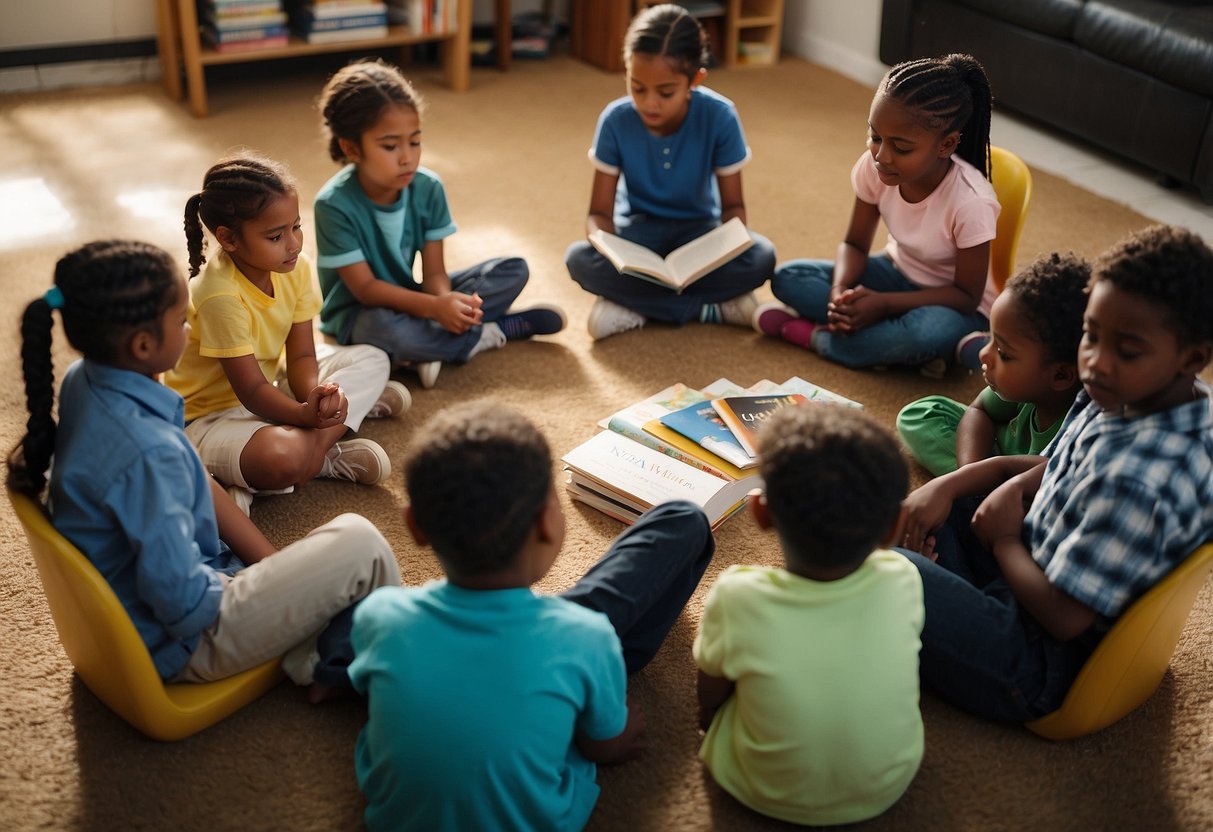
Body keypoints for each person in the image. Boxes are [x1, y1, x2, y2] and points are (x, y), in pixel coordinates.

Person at [8, 240, 401, 703]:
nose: (191, 324)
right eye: (181, 320)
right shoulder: (147, 455)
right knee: (363, 543)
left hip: (157, 611)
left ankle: (327, 655)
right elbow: (185, 605)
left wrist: (275, 571)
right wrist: (251, 590)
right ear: (142, 344)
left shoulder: (87, 379)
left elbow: (195, 478)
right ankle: (353, 665)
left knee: (320, 560)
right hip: (186, 642)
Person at [348, 402, 715, 831]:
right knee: (685, 519)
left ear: (414, 527)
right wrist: (620, 732)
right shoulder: (586, 636)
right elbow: (606, 746)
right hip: (549, 795)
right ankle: (573, 670)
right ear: (546, 522)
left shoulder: (380, 616)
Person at [897, 224, 1213, 722]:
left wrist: (1003, 542)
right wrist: (993, 482)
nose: (1094, 363)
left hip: (1040, 660)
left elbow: (1066, 619)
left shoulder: (1137, 480)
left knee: (889, 569)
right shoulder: (1131, 392)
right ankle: (933, 597)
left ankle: (920, 601)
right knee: (926, 506)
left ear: (1192, 357)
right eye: (1090, 335)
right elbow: (1063, 463)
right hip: (1035, 560)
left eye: (1126, 349)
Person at [694, 405, 924, 826]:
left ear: (760, 513)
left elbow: (712, 689)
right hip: (887, 783)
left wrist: (708, 717)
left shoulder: (737, 596)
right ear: (894, 527)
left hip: (759, 789)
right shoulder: (904, 577)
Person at [165, 154, 407, 511]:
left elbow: (302, 355)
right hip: (209, 417)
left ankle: (304, 452)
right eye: (276, 236)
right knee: (282, 456)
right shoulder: (219, 295)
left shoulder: (294, 266)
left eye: (296, 226)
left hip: (272, 382)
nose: (293, 243)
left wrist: (315, 397)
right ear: (228, 239)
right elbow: (250, 392)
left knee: (372, 357)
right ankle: (318, 457)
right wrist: (306, 416)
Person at [313, 59, 565, 390]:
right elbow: (366, 290)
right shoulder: (333, 205)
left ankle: (427, 349)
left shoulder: (428, 187)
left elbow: (433, 274)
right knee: (383, 330)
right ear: (351, 148)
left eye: (414, 141)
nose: (407, 157)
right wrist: (435, 309)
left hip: (415, 298)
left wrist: (447, 303)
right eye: (390, 146)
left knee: (513, 269)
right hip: (359, 313)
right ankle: (493, 333)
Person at [756, 53, 999, 377]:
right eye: (875, 137)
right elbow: (855, 244)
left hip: (952, 304)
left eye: (901, 147)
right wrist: (839, 293)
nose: (882, 156)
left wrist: (883, 304)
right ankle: (903, 348)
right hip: (893, 271)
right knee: (789, 277)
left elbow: (967, 297)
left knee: (925, 333)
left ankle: (814, 337)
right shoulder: (874, 169)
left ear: (946, 145)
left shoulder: (971, 202)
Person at [564, 3, 776, 340]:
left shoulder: (720, 116)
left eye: (665, 92)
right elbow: (598, 214)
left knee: (762, 256)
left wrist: (720, 250)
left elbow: (734, 209)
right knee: (578, 259)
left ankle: (635, 306)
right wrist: (613, 251)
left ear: (695, 79)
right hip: (638, 233)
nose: (649, 103)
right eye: (637, 88)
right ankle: (710, 308)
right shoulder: (615, 120)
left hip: (699, 233)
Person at [896, 252, 1090, 476]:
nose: (982, 354)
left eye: (1003, 353)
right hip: (991, 452)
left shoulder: (1077, 435)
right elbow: (979, 410)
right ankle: (978, 490)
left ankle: (981, 494)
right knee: (920, 414)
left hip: (1028, 485)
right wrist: (970, 472)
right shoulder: (1025, 389)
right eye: (990, 338)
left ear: (1060, 376)